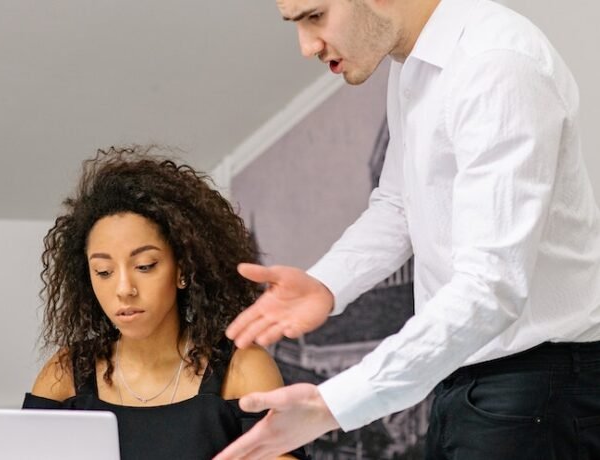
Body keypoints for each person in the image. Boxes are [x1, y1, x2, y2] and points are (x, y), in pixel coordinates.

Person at [214, 0, 600, 459]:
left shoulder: (495, 64)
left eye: (315, 17)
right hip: (468, 379)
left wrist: (334, 404)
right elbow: (400, 205)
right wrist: (327, 283)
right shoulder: (413, 64)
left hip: (536, 389)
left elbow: (490, 286)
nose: (306, 46)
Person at [22, 146, 307, 459]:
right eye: (103, 271)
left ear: (182, 269)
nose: (124, 289)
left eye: (145, 266)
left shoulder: (243, 370)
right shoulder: (65, 377)